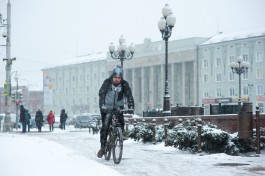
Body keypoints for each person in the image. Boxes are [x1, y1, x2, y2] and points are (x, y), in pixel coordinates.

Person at [97, 65, 134, 158]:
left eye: (119, 78)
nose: (117, 79)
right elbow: (101, 95)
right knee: (105, 127)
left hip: (118, 108)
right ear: (112, 76)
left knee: (121, 123)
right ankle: (103, 147)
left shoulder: (124, 84)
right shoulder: (107, 83)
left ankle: (119, 136)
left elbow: (129, 96)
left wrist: (131, 107)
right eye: (115, 77)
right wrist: (102, 106)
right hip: (107, 108)